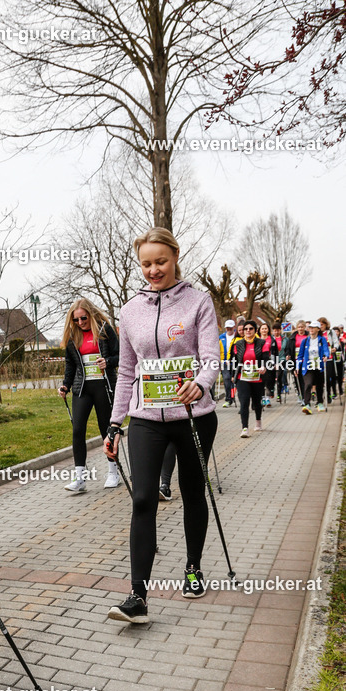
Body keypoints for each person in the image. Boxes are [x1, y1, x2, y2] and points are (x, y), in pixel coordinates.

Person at [104, 227, 219, 623]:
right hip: (147, 419)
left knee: (191, 492)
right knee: (142, 500)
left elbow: (210, 360)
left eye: (160, 262)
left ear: (175, 257)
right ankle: (137, 596)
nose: (153, 270)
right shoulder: (130, 309)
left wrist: (200, 385)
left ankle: (193, 568)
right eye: (146, 264)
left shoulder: (199, 302)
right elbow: (125, 372)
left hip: (193, 417)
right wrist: (115, 423)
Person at [59, 298, 120, 492]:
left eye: (83, 318)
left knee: (106, 430)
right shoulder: (73, 335)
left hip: (103, 386)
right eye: (75, 320)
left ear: (91, 315)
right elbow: (71, 364)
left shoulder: (104, 331)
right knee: (77, 430)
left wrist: (108, 362)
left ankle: (113, 472)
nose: (80, 323)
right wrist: (66, 385)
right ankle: (80, 478)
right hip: (82, 388)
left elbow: (120, 355)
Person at [233, 321, 267, 437]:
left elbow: (266, 358)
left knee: (257, 402)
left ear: (255, 330)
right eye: (245, 329)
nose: (247, 331)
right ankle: (244, 428)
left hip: (257, 378)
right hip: (242, 377)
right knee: (244, 401)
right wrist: (233, 374)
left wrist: (264, 367)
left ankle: (258, 420)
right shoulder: (238, 344)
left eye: (250, 328)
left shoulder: (262, 343)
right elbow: (235, 361)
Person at [298, 321, 330, 413]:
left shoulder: (322, 339)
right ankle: (307, 404)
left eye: (313, 327)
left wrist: (326, 356)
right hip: (308, 366)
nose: (311, 329)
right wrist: (297, 366)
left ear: (318, 329)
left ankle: (319, 403)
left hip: (319, 365)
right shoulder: (305, 341)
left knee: (319, 385)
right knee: (308, 384)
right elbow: (300, 355)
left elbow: (326, 350)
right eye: (310, 327)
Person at [318, 317, 340, 404]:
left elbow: (336, 341)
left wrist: (335, 348)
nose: (320, 326)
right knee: (320, 378)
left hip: (329, 357)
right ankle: (321, 396)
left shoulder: (330, 332)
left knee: (327, 377)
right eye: (319, 325)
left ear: (326, 324)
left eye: (322, 324)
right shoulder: (317, 333)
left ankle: (328, 394)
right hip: (319, 358)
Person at [218, 319, 237, 406]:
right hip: (224, 362)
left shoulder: (237, 336)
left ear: (234, 327)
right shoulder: (221, 337)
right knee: (226, 379)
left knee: (235, 380)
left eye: (230, 327)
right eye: (227, 328)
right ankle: (228, 399)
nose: (229, 329)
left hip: (235, 362)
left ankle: (235, 396)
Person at [259, 323, 278, 405]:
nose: (264, 330)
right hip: (260, 362)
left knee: (269, 380)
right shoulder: (257, 340)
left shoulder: (272, 340)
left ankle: (268, 397)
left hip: (270, 362)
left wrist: (276, 363)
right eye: (262, 329)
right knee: (261, 380)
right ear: (259, 330)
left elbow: (276, 353)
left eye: (265, 328)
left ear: (268, 330)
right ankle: (263, 397)